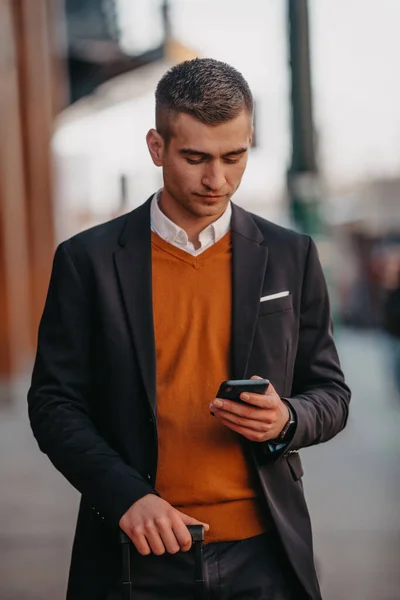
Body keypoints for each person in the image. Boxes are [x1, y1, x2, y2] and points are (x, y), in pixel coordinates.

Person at [28, 58, 351, 600]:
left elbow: (332, 393)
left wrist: (288, 417)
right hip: (135, 558)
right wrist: (126, 496)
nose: (216, 180)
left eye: (234, 156)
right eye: (195, 157)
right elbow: (54, 403)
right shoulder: (87, 261)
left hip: (265, 555)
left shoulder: (292, 256)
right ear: (157, 147)